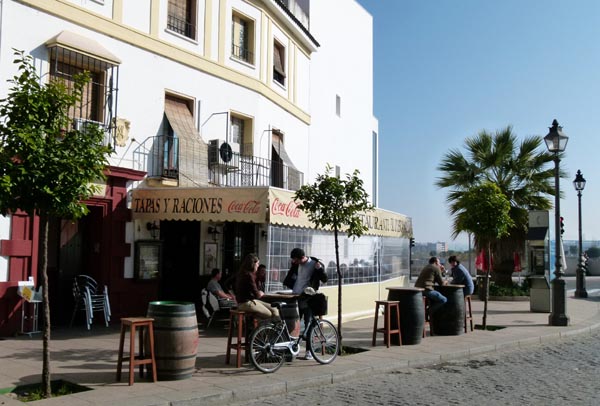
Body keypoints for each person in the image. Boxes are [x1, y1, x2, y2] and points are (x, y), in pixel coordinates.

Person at [283, 248, 328, 359]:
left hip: (308, 298)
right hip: (296, 296)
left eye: (296, 260)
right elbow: (291, 277)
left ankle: (309, 351)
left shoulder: (315, 264)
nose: (294, 262)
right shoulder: (296, 264)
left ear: (302, 258)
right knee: (294, 324)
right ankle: (294, 349)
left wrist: (320, 269)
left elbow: (325, 279)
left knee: (309, 324)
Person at [234, 254, 279, 320]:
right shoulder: (248, 275)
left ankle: (274, 325)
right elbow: (257, 294)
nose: (258, 266)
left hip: (248, 301)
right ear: (253, 264)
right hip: (246, 303)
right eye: (257, 263)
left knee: (274, 309)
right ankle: (264, 326)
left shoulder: (242, 273)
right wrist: (261, 293)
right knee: (269, 314)